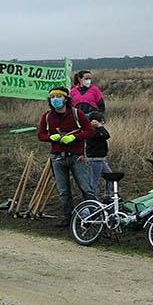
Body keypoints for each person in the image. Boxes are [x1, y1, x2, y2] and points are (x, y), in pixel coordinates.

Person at [36, 86, 95, 227]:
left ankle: (95, 214)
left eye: (59, 97)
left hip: (76, 157)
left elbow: (89, 131)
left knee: (86, 188)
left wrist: (75, 137)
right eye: (53, 97)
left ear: (66, 98)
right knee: (63, 191)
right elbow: (41, 135)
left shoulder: (76, 113)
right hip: (57, 157)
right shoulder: (47, 116)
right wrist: (52, 137)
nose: (56, 100)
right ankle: (68, 217)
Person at [84, 112, 114, 201]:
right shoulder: (91, 131)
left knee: (110, 176)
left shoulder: (97, 131)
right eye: (100, 121)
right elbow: (106, 135)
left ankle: (108, 195)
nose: (102, 124)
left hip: (100, 159)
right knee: (94, 181)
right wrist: (100, 126)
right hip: (94, 159)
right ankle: (92, 201)